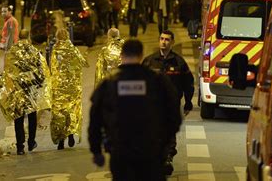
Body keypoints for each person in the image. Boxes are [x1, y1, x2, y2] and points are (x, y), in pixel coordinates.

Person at [89, 39, 182, 181]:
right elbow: (174, 115)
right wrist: (164, 144)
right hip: (151, 152)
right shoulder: (157, 81)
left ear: (122, 55)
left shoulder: (110, 84)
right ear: (141, 55)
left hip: (121, 153)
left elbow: (95, 120)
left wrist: (96, 151)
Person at [142, 30, 194, 174]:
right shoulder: (149, 61)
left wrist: (188, 101)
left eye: (167, 40)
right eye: (162, 39)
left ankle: (168, 158)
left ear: (172, 42)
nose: (163, 42)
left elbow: (188, 83)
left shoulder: (179, 62)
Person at [0, 29, 51, 155]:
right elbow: (41, 72)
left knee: (18, 118)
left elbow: (7, 71)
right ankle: (31, 142)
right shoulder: (34, 51)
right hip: (31, 89)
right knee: (32, 116)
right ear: (29, 37)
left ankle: (20, 146)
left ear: (18, 37)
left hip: (17, 90)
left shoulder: (11, 52)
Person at [50, 29, 89, 150]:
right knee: (72, 110)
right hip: (72, 87)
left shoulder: (55, 50)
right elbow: (84, 63)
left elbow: (52, 67)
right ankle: (71, 133)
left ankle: (61, 139)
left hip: (59, 85)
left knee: (60, 112)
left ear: (57, 37)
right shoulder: (73, 49)